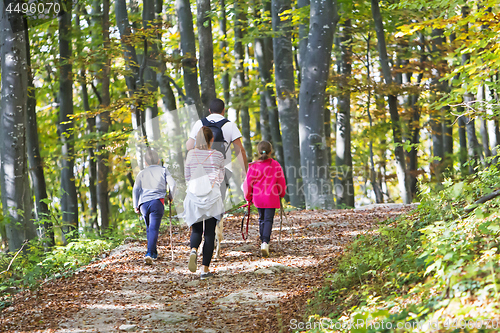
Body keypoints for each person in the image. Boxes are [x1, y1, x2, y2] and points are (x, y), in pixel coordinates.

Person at [186, 98, 249, 203]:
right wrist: (244, 169)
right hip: (223, 169)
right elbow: (240, 150)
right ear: (223, 110)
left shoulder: (199, 123)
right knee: (218, 201)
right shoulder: (230, 125)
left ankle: (202, 218)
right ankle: (216, 219)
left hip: (200, 168)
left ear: (209, 110)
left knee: (200, 200)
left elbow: (189, 146)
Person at [184, 127, 225, 279]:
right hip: (212, 198)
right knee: (209, 233)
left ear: (197, 140)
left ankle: (193, 249)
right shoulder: (218, 156)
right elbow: (220, 178)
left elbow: (187, 177)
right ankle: (204, 270)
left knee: (196, 231)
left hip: (194, 197)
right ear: (211, 140)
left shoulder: (190, 155)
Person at [133, 148, 176, 265]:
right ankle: (149, 253)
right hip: (157, 202)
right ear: (158, 161)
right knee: (153, 228)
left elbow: (136, 189)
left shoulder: (141, 173)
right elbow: (173, 184)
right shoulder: (163, 170)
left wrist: (135, 205)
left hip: (143, 204)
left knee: (149, 228)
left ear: (146, 163)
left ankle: (154, 252)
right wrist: (171, 195)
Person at [243, 141, 286, 257]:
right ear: (270, 151)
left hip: (258, 198)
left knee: (261, 219)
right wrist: (282, 194)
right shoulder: (276, 165)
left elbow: (248, 184)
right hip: (271, 198)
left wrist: (248, 197)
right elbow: (281, 182)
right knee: (268, 220)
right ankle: (265, 242)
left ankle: (263, 241)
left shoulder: (254, 166)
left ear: (258, 151)